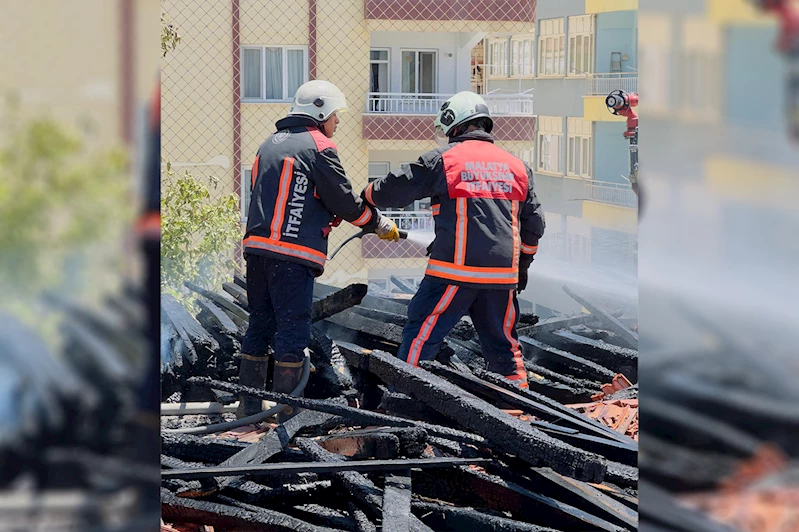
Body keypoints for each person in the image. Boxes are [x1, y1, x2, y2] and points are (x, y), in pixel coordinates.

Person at [362, 91, 545, 388]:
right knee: (504, 347)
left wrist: (365, 197)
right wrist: (522, 265)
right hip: (502, 277)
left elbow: (391, 190)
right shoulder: (518, 167)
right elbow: (534, 224)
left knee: (422, 333)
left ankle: (405, 398)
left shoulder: (444, 159)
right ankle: (520, 411)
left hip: (453, 272)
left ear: (455, 126)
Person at [239, 80, 399, 419]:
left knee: (260, 324)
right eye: (336, 115)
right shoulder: (320, 146)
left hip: (256, 251)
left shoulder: (268, 145)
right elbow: (344, 200)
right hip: (291, 255)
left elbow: (284, 195)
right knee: (293, 329)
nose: (338, 122)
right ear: (321, 111)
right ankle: (287, 415)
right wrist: (378, 222)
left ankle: (248, 408)